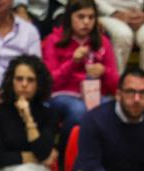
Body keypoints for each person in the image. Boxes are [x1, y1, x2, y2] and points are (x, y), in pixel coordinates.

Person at [42, 0, 119, 149]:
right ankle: (65, 155)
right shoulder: (54, 40)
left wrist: (104, 71)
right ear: (69, 17)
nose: (86, 22)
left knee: (117, 107)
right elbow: (49, 82)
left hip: (96, 95)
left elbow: (116, 85)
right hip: (63, 94)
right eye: (81, 17)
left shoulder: (103, 42)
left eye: (91, 17)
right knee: (80, 110)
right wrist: (72, 62)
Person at [96, 0, 144, 88]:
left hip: (140, 15)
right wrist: (115, 13)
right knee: (123, 35)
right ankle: (116, 85)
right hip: (108, 14)